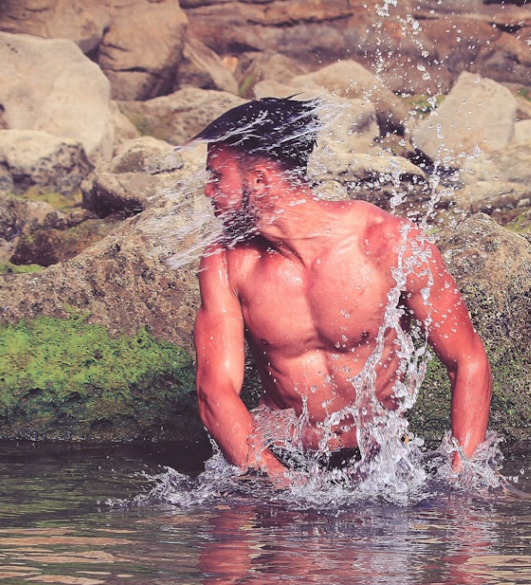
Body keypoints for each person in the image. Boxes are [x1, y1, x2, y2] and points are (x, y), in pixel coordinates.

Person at [191, 97, 491, 482]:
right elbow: (213, 389)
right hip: (279, 455)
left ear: (260, 179)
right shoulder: (226, 261)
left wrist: (463, 475)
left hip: (378, 466)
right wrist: (274, 479)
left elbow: (467, 361)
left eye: (217, 176)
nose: (207, 190)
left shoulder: (389, 244)